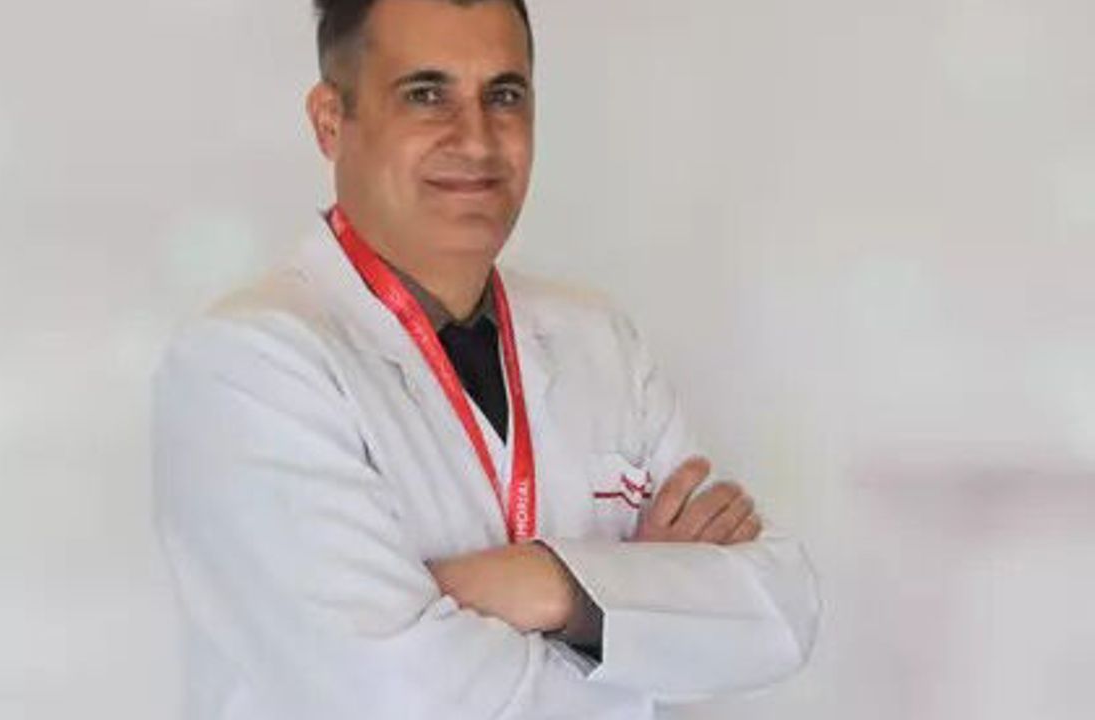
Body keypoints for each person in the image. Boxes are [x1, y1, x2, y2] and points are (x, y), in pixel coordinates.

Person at [152, 1, 820, 718]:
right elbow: (398, 696)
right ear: (330, 121)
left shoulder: (598, 339)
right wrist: (639, 612)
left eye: (503, 95)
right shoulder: (246, 364)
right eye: (426, 94)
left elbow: (780, 613)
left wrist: (552, 585)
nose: (475, 139)